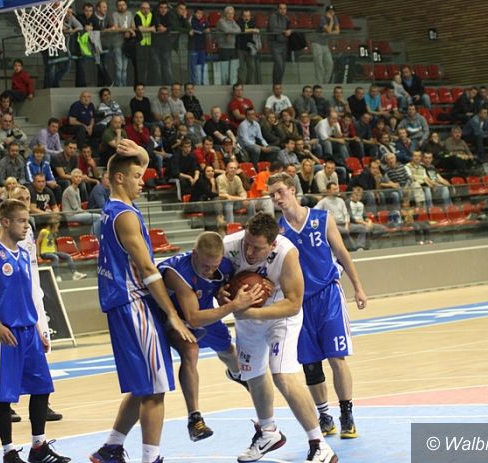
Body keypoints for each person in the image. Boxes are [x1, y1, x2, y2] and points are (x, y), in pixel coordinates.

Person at [90, 139, 195, 463]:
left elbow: (138, 165)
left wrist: (143, 155)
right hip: (134, 303)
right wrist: (172, 314)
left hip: (123, 303)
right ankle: (152, 458)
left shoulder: (114, 209)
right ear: (119, 179)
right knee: (154, 388)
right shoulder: (125, 216)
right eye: (137, 177)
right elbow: (149, 271)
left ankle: (111, 448)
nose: (143, 181)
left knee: (142, 384)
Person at [223, 213, 339, 463]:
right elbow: (214, 282)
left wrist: (252, 311)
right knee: (253, 374)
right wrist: (221, 293)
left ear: (272, 244)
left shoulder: (287, 253)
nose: (250, 252)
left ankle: (320, 444)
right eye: (247, 243)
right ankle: (268, 432)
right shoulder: (229, 246)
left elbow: (294, 303)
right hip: (247, 317)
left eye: (257, 248)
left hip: (280, 316)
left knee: (282, 375)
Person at [0, 199, 71, 463]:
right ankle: (9, 453)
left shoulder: (25, 255)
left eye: (27, 221)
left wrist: (38, 328)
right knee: (4, 396)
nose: (27, 226)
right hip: (3, 334)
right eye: (22, 221)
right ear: (5, 222)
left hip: (28, 331)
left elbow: (28, 296)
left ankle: (39, 447)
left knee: (42, 388)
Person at [269, 172, 367, 439]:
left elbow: (343, 254)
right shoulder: (277, 231)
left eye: (280, 191)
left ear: (292, 190)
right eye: (272, 195)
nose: (276, 198)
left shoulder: (322, 219)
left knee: (337, 357)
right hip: (298, 303)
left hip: (328, 296)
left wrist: (358, 287)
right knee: (311, 364)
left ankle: (346, 414)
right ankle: (324, 416)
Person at [154, 233, 262, 441]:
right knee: (190, 351)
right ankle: (195, 420)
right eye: (205, 266)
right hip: (174, 319)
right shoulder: (178, 273)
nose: (210, 270)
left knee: (230, 353)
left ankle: (236, 374)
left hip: (204, 313)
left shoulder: (224, 266)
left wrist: (224, 293)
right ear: (194, 254)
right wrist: (233, 305)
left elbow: (225, 290)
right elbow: (193, 319)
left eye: (214, 266)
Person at [312, 5, 339, 84]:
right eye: (329, 12)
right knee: (319, 64)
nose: (331, 13)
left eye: (333, 12)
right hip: (316, 43)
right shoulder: (322, 18)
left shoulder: (335, 18)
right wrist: (331, 21)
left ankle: (325, 82)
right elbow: (329, 30)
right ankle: (319, 83)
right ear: (326, 12)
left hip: (325, 44)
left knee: (330, 63)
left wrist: (329, 32)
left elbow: (337, 31)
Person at [268, 3, 291, 84]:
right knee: (279, 64)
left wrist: (290, 31)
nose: (283, 10)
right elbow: (273, 29)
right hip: (274, 43)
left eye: (285, 8)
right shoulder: (273, 16)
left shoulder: (287, 18)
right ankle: (276, 83)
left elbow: (289, 28)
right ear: (278, 9)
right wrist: (284, 31)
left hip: (284, 44)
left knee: (282, 66)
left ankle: (277, 83)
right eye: (281, 8)